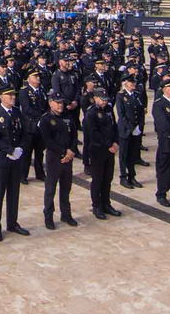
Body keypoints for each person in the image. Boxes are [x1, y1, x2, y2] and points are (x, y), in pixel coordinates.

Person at [0, 87, 28, 241]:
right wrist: (10, 150)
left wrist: (20, 148)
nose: (12, 97)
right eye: (9, 95)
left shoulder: (17, 112)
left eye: (13, 94)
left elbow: (24, 133)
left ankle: (12, 223)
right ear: (1, 97)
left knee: (14, 192)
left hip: (16, 159)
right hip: (2, 160)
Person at [38, 92, 78, 230]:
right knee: (51, 189)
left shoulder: (68, 117)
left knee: (66, 188)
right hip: (54, 158)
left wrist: (72, 150)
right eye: (57, 102)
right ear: (50, 103)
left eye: (62, 102)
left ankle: (66, 214)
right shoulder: (46, 119)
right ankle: (48, 216)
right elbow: (48, 141)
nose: (60, 105)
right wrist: (63, 152)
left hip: (68, 158)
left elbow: (74, 135)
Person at [82, 88, 120, 218]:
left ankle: (106, 204)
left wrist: (116, 142)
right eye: (102, 99)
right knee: (97, 180)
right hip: (97, 150)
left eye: (106, 99)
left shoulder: (108, 109)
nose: (104, 102)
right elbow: (93, 133)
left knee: (107, 178)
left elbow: (114, 127)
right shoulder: (91, 113)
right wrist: (109, 145)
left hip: (110, 149)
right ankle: (96, 206)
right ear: (95, 98)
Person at [115, 76, 144, 190]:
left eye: (134, 83)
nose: (133, 85)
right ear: (125, 84)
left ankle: (132, 176)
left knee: (132, 154)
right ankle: (123, 177)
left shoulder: (137, 95)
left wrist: (140, 126)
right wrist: (131, 128)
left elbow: (140, 112)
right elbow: (121, 114)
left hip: (135, 130)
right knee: (123, 155)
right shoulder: (120, 96)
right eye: (131, 83)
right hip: (125, 130)